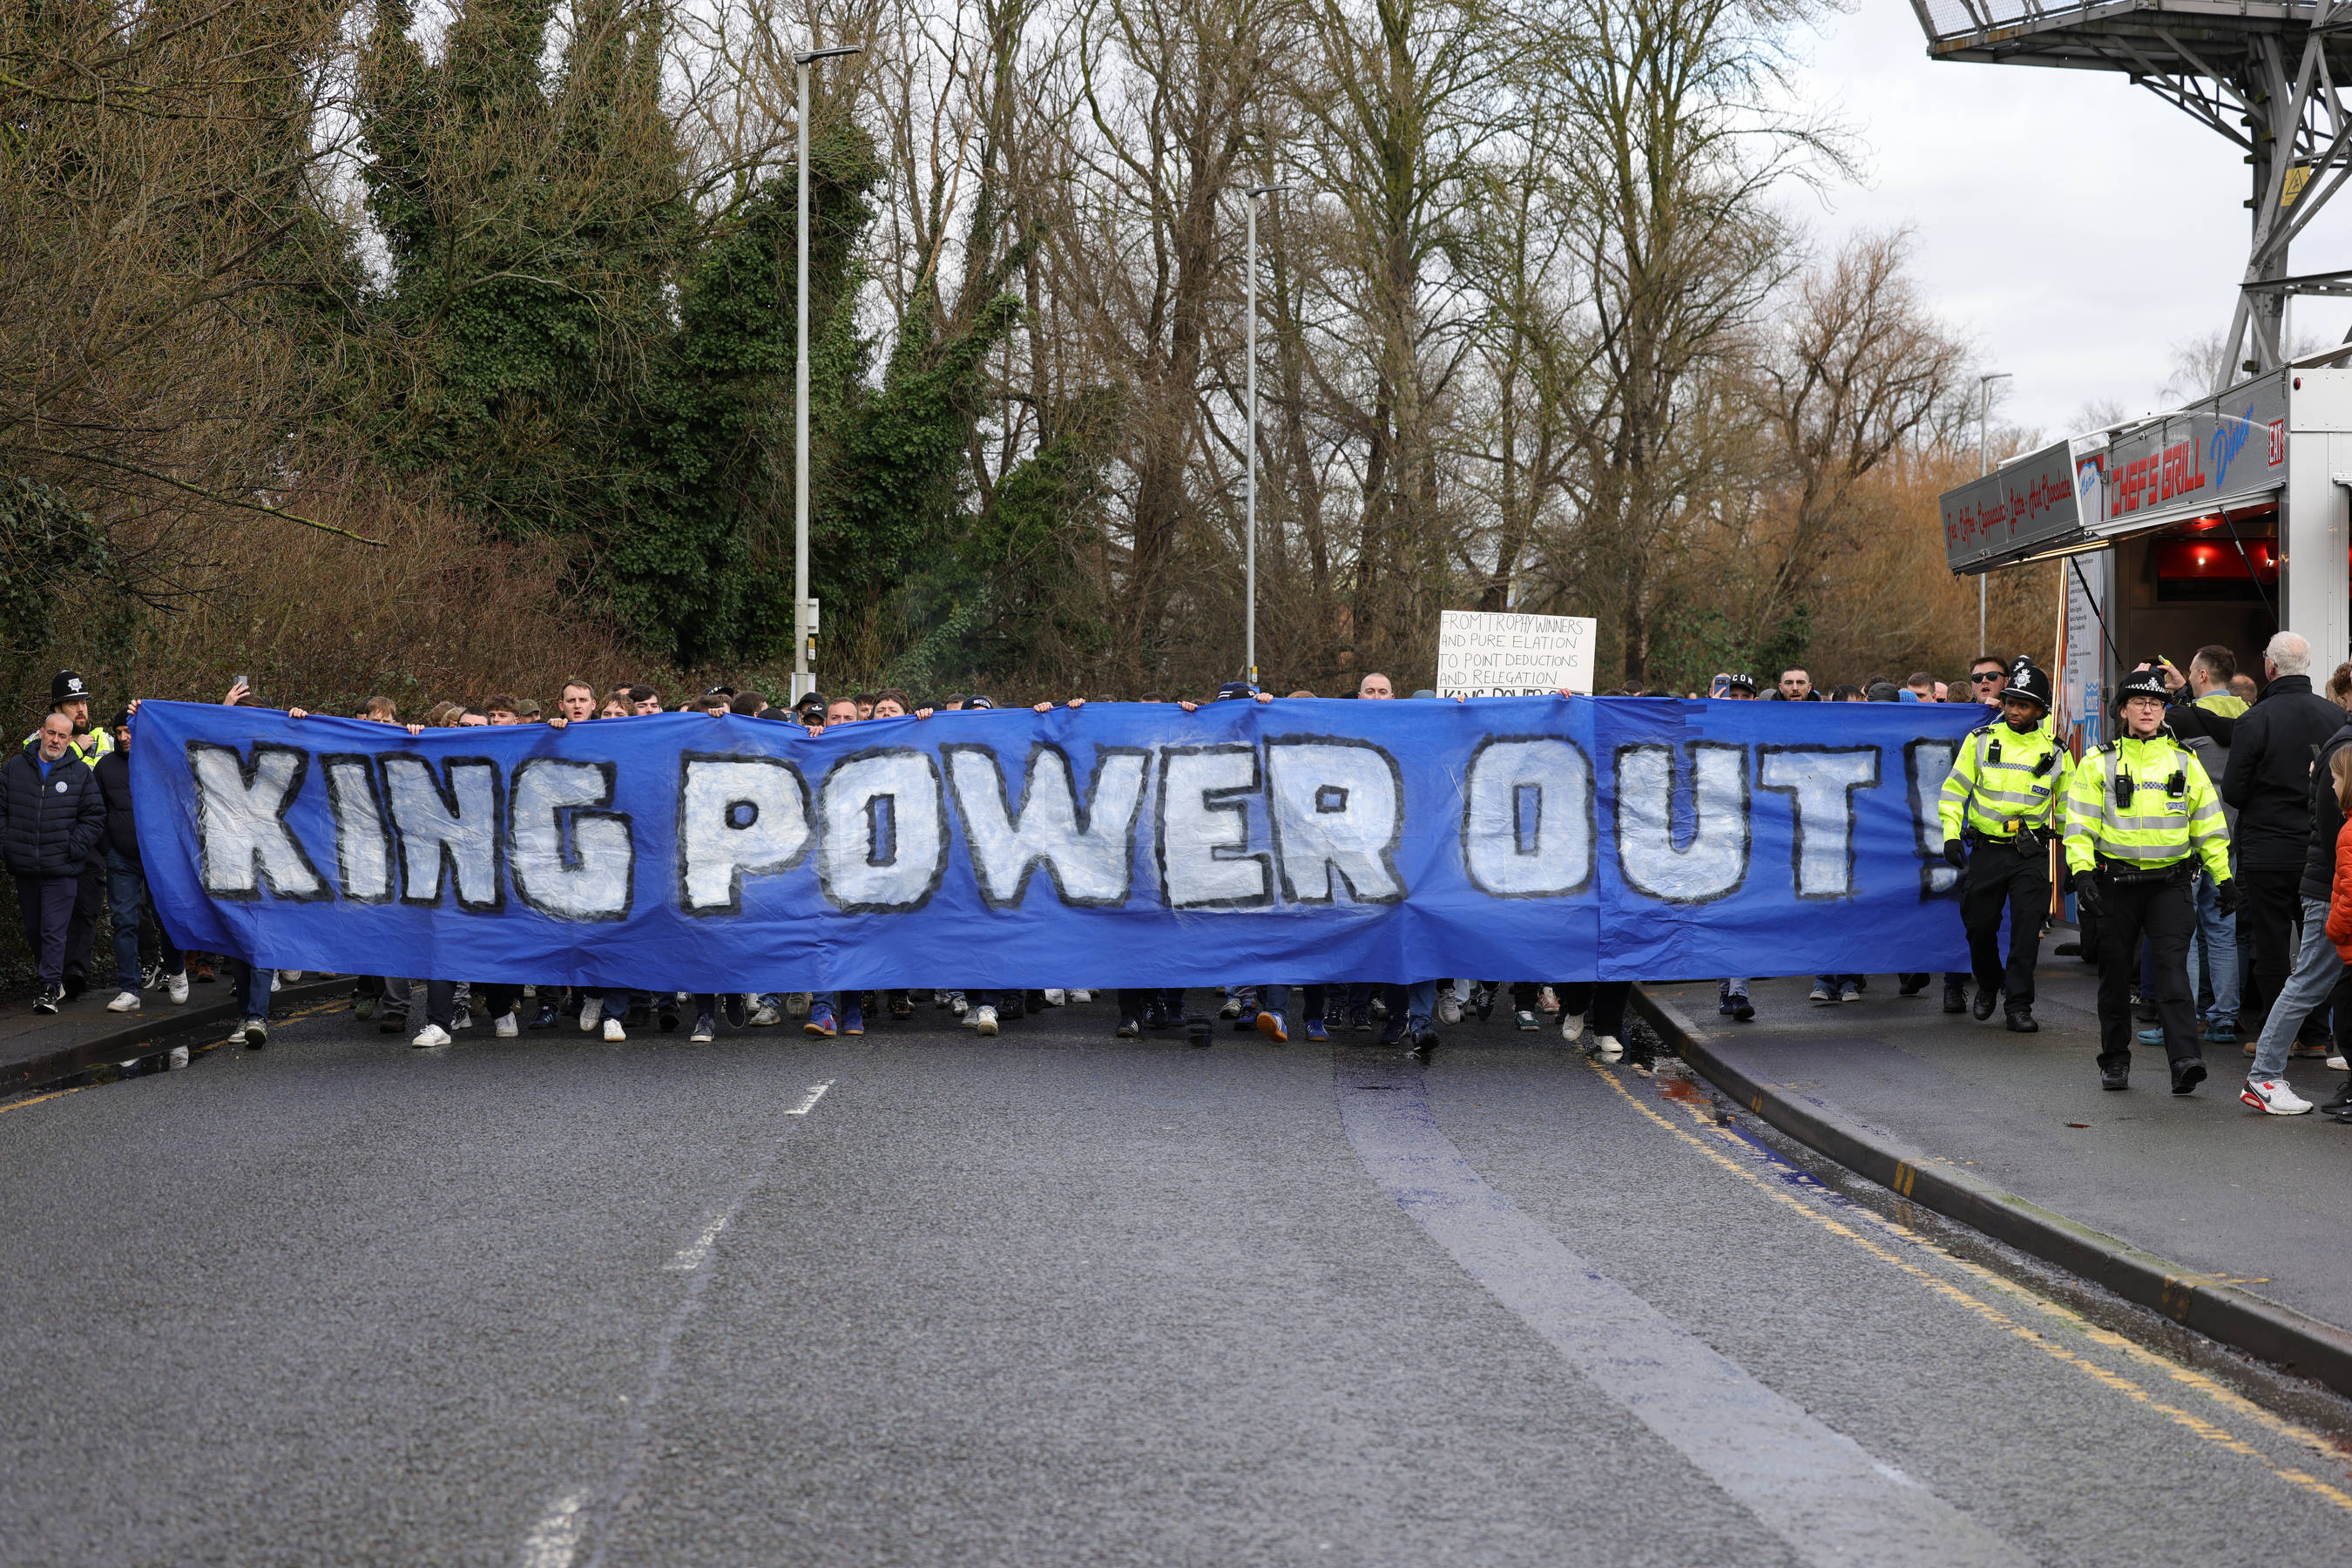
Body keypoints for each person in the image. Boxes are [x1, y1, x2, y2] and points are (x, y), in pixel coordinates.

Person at [2064, 666, 2234, 1093]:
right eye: (2138, 702)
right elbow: (2079, 826)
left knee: (2173, 971)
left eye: (2155, 703)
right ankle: (2116, 1061)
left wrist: (2224, 877)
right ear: (2123, 710)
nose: (2147, 709)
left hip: (2170, 884)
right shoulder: (2097, 761)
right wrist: (2082, 873)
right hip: (2115, 884)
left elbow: (2209, 825)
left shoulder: (2184, 761)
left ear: (2164, 712)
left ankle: (2185, 1061)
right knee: (2116, 975)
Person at [2221, 632, 2342, 1042]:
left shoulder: (2254, 719)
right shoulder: (2335, 717)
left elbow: (2234, 792)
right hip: (2319, 846)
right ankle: (2314, 1035)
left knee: (2270, 945)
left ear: (2269, 666)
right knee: (2320, 946)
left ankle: (2276, 1033)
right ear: (2306, 666)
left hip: (2267, 848)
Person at [1939, 661, 2065, 1031]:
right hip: (1988, 850)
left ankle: (2018, 1006)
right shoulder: (1980, 741)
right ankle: (1990, 982)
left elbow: (2074, 808)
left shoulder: (2057, 753)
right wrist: (1950, 834)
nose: (2013, 710)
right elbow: (1953, 791)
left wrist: (2077, 860)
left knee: (2027, 932)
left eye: (2023, 705)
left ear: (2039, 710)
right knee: (1979, 927)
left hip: (2031, 854)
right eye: (2010, 703)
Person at [2158, 647, 2247, 1044]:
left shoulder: (2183, 719)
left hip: (2189, 835)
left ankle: (2186, 1016)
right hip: (2231, 834)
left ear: (2202, 676)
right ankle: (2226, 1017)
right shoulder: (2249, 715)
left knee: (2185, 932)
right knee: (2224, 931)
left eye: (2193, 673)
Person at [2, 712, 108, 1013]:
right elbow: (1, 809)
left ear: (69, 738)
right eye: (51, 733)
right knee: (35, 929)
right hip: (24, 865)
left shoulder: (80, 774)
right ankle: (53, 979)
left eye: (63, 736)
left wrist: (73, 847)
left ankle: (48, 986)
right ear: (41, 732)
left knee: (53, 929)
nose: (56, 740)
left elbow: (94, 816)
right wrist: (7, 845)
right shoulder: (15, 768)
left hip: (62, 869)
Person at [92, 706, 186, 1012]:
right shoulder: (105, 768)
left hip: (160, 857)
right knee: (124, 921)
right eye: (118, 732)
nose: (123, 737)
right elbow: (97, 810)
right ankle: (130, 988)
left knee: (167, 917)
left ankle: (175, 971)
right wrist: (109, 847)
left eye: (128, 731)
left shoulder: (163, 762)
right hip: (122, 858)